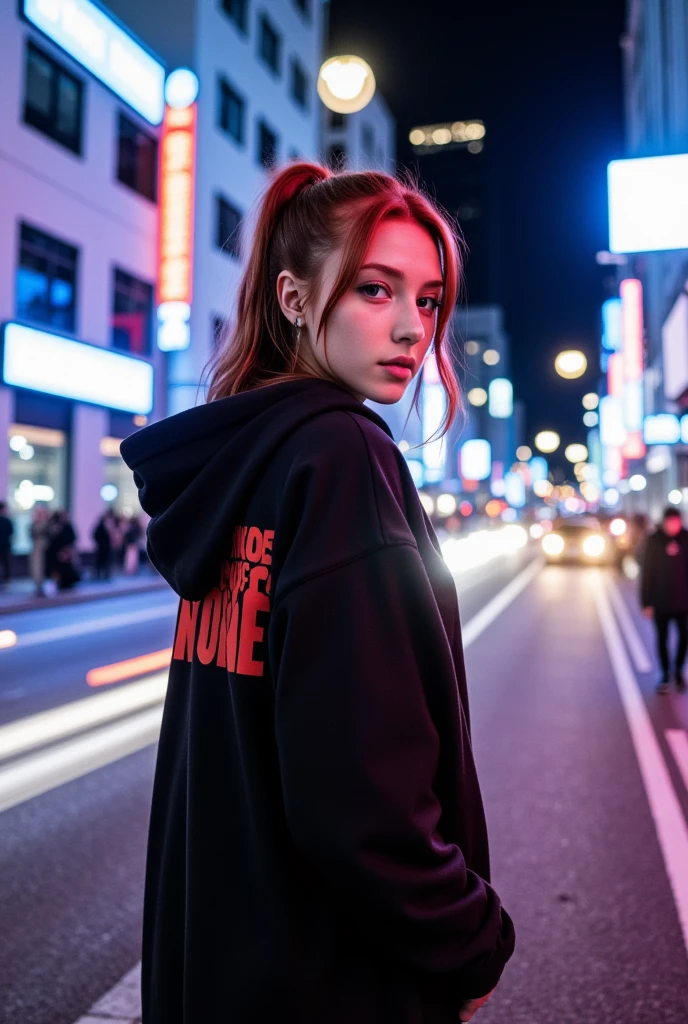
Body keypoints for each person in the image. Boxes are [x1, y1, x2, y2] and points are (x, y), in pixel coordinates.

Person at [121, 161, 515, 1024]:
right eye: (377, 289)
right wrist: (472, 938)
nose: (412, 327)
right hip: (332, 977)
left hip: (220, 959)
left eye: (429, 299)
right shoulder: (342, 458)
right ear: (294, 298)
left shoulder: (242, 466)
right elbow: (360, 792)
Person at [641, 506, 688, 694]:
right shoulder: (654, 540)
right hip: (660, 602)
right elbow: (647, 573)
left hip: (683, 602)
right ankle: (664, 675)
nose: (674, 526)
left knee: (685, 637)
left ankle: (677, 672)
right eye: (670, 523)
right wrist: (646, 602)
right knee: (662, 638)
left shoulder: (686, 538)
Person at [29, 505, 50, 597]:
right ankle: (38, 586)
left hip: (45, 550)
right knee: (37, 568)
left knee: (43, 567)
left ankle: (44, 586)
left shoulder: (47, 524)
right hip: (36, 549)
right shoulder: (34, 524)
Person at [92, 510, 116, 580]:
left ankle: (105, 575)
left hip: (106, 547)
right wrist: (99, 542)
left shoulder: (107, 527)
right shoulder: (100, 527)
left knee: (105, 561)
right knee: (100, 562)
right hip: (101, 547)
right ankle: (98, 575)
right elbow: (95, 535)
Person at [0, 501, 13, 586]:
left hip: (5, 546)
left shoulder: (7, 520)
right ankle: (7, 580)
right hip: (5, 546)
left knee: (5, 563)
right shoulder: (7, 520)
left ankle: (6, 580)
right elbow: (11, 532)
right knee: (6, 564)